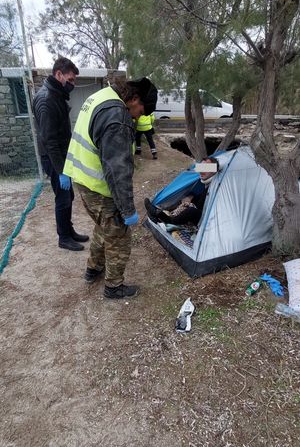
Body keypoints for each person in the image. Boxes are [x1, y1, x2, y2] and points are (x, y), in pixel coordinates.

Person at [63, 77, 158, 299]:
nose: (141, 116)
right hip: (100, 187)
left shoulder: (101, 96)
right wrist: (128, 210)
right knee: (119, 235)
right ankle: (114, 287)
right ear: (134, 99)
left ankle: (93, 269)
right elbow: (118, 171)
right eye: (142, 109)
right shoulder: (118, 117)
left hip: (83, 180)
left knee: (102, 227)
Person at [33, 56, 89, 251]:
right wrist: (61, 170)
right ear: (59, 74)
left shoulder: (56, 94)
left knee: (69, 196)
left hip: (61, 156)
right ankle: (63, 238)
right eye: (71, 79)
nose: (73, 84)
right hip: (53, 157)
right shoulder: (47, 99)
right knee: (63, 198)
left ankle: (69, 230)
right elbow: (49, 140)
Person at [144, 157, 219, 226]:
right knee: (186, 199)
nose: (202, 171)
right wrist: (191, 197)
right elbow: (201, 198)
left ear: (214, 171)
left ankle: (167, 219)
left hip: (208, 221)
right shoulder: (205, 184)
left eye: (207, 168)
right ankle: (158, 212)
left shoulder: (216, 187)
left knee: (192, 211)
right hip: (200, 213)